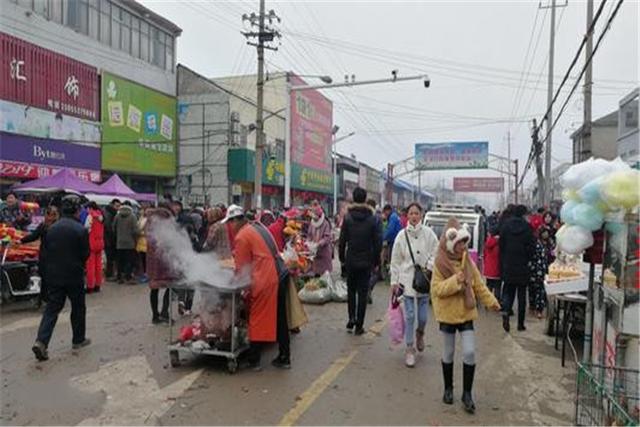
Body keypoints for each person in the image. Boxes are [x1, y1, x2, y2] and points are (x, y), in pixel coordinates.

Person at [432, 217, 501, 414]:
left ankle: (467, 393)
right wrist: (456, 281)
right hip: (447, 314)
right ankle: (448, 389)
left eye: (465, 242)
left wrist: (492, 302)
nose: (464, 246)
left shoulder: (468, 262)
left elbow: (479, 285)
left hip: (466, 311)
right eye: (460, 243)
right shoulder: (439, 263)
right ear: (451, 243)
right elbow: (437, 290)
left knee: (469, 352)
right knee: (448, 352)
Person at [225, 205, 290, 369]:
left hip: (266, 278)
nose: (229, 227)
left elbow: (241, 269)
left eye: (230, 223)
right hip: (279, 273)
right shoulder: (256, 227)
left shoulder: (242, 236)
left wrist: (233, 283)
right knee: (280, 318)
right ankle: (284, 357)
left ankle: (254, 360)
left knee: (256, 318)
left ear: (236, 221)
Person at [31, 196, 90, 361]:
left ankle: (41, 341)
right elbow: (85, 254)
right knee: (78, 308)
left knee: (51, 309)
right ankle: (78, 339)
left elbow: (47, 252)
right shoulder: (80, 230)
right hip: (74, 276)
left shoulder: (51, 229)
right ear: (77, 210)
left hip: (54, 276)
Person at [389, 202, 439, 367]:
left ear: (422, 215)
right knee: (410, 316)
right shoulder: (401, 236)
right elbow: (395, 260)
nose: (414, 216)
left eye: (417, 213)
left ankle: (420, 334)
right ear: (407, 216)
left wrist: (429, 266)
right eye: (411, 213)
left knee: (423, 317)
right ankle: (409, 349)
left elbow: (436, 252)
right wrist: (394, 282)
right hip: (407, 281)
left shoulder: (429, 234)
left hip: (423, 281)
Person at [338, 187, 382, 335]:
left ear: (353, 199)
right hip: (366, 261)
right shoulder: (372, 218)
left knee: (351, 291)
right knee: (362, 293)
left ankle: (351, 318)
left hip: (351, 260)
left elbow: (342, 241)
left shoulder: (348, 218)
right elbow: (377, 242)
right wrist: (376, 261)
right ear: (364, 200)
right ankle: (359, 326)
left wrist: (342, 260)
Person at [499, 205, 535, 332]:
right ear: (523, 214)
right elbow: (532, 246)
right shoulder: (528, 227)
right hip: (523, 266)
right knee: (521, 295)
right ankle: (520, 324)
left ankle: (506, 313)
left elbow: (501, 244)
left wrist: (504, 259)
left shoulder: (506, 226)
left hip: (508, 264)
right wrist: (528, 259)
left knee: (508, 291)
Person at [20, 205, 59, 306]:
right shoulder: (48, 226)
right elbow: (34, 236)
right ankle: (46, 299)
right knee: (47, 279)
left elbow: (33, 236)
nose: (48, 217)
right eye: (48, 214)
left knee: (47, 280)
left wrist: (21, 241)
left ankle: (46, 299)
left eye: (50, 214)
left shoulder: (50, 226)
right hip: (49, 257)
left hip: (49, 257)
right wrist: (21, 240)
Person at [146, 204, 176, 324]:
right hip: (164, 261)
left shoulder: (149, 224)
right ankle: (164, 312)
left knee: (154, 288)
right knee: (170, 286)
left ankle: (155, 315)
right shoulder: (163, 221)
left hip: (152, 262)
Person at [113, 201, 139, 284]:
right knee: (129, 261)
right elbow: (135, 230)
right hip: (130, 243)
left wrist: (118, 235)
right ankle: (128, 277)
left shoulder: (117, 216)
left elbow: (113, 227)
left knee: (120, 261)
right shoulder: (133, 217)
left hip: (119, 242)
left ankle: (119, 277)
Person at [529, 228, 550, 319]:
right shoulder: (536, 244)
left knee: (540, 290)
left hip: (542, 269)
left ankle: (539, 309)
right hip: (535, 269)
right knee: (534, 289)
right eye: (544, 233)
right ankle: (533, 308)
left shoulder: (548, 244)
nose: (546, 235)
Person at [84, 202, 104, 293]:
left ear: (90, 208)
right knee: (98, 265)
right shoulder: (101, 216)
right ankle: (98, 285)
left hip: (91, 243)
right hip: (100, 242)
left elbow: (86, 229)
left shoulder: (90, 216)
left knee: (90, 266)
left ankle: (90, 286)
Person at [366, 199, 383, 304]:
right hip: (372, 251)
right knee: (375, 273)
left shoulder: (363, 217)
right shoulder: (377, 219)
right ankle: (368, 288)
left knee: (366, 273)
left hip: (362, 251)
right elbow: (379, 238)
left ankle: (365, 290)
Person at [308, 205, 332, 277]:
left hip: (324, 253)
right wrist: (309, 242)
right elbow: (309, 235)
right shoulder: (312, 224)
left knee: (324, 276)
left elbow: (327, 237)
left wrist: (319, 243)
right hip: (315, 254)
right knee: (316, 275)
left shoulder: (325, 224)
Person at [382, 204, 402, 278]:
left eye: (385, 212)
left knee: (392, 258)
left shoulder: (393, 217)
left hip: (395, 240)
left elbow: (390, 230)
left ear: (388, 210)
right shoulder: (394, 216)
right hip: (395, 239)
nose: (385, 214)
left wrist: (383, 238)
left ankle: (393, 275)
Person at [103, 199, 121, 280]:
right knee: (110, 257)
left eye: (119, 206)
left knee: (110, 257)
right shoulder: (110, 213)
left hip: (108, 239)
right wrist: (113, 236)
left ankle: (109, 274)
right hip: (109, 239)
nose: (118, 208)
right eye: (117, 206)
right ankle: (109, 275)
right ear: (112, 205)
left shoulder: (108, 212)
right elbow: (108, 227)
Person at [482, 225, 501, 300]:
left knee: (489, 286)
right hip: (497, 269)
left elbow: (484, 255)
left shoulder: (487, 243)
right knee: (497, 287)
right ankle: (496, 302)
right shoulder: (500, 243)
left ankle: (488, 301)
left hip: (488, 270)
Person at [136, 206, 149, 283]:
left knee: (145, 259)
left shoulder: (149, 220)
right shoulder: (141, 218)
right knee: (141, 259)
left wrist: (141, 233)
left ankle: (146, 274)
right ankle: (143, 274)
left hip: (146, 242)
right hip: (140, 242)